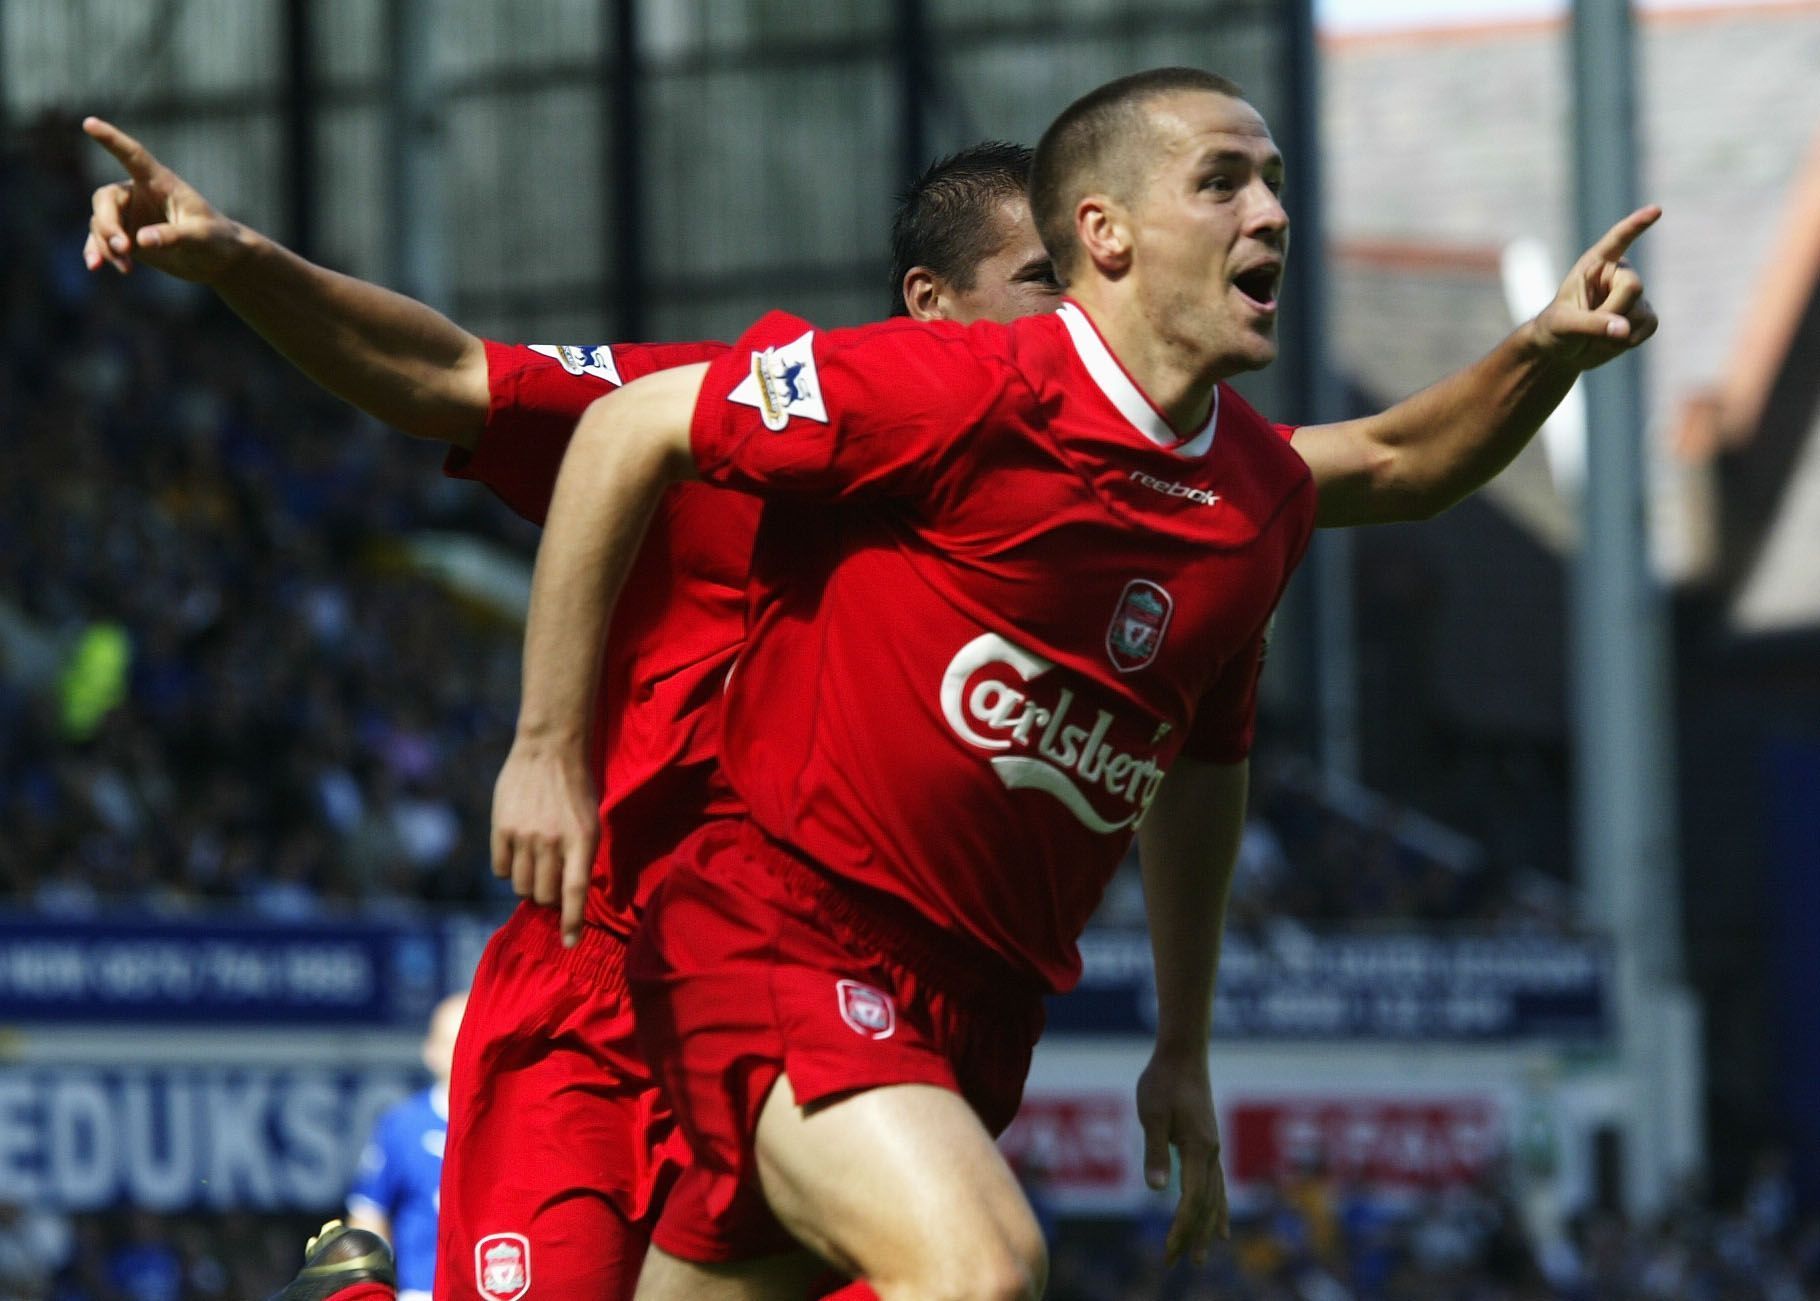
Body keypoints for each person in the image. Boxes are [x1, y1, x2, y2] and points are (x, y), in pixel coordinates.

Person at [83, 89, 1654, 1297]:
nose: (1068, 323)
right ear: (933, 310)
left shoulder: (1171, 505)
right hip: (643, 961)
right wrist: (231, 258)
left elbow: (1370, 475)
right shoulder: (808, 407)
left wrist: (1541, 356)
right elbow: (451, 378)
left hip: (916, 1010)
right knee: (977, 1262)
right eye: (1036, 281)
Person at [343, 992, 469, 1301]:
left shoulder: (510, 1122)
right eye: (453, 1043)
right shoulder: (402, 1125)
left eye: (472, 1040)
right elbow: (368, 1215)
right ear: (431, 1050)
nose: (464, 1053)